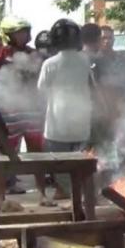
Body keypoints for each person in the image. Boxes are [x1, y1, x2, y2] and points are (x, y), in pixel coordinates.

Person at [0, 16, 46, 198]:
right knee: (5, 155)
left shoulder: (34, 54)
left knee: (37, 155)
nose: (25, 35)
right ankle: (1, 197)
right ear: (9, 34)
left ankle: (43, 194)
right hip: (8, 112)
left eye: (26, 31)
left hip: (32, 110)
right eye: (21, 32)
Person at [38, 19, 92, 193]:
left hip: (57, 126)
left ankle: (64, 195)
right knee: (80, 166)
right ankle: (81, 198)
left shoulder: (50, 64)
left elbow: (41, 90)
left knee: (60, 167)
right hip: (82, 124)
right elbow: (93, 86)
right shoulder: (85, 61)